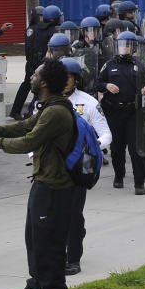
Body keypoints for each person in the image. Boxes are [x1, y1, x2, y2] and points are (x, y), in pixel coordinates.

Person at [0, 58, 76, 289]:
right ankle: (36, 288)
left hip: (54, 186)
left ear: (45, 82)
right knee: (35, 238)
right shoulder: (49, 107)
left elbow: (29, 141)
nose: (31, 78)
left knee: (48, 241)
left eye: (35, 75)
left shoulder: (56, 112)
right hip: (43, 181)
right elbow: (25, 126)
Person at [58, 58, 111, 276]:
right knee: (53, 215)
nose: (63, 83)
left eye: (67, 79)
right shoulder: (44, 102)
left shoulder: (88, 103)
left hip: (78, 169)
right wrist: (33, 155)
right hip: (53, 168)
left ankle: (73, 259)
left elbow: (106, 134)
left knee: (73, 214)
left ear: (76, 80)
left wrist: (91, 148)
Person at [96, 31, 145, 195]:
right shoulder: (109, 65)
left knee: (135, 150)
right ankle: (119, 176)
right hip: (114, 112)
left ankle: (139, 183)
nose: (124, 48)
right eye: (121, 44)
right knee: (117, 149)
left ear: (133, 47)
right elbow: (98, 83)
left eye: (127, 45)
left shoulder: (139, 65)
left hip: (132, 112)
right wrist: (107, 86)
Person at [10, 5, 58, 120]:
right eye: (40, 16)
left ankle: (29, 111)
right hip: (32, 62)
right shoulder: (31, 29)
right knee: (27, 85)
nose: (42, 18)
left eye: (43, 15)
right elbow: (29, 48)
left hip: (40, 62)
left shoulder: (44, 28)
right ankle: (16, 111)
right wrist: (31, 63)